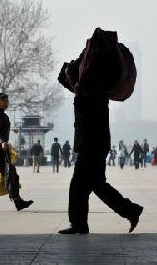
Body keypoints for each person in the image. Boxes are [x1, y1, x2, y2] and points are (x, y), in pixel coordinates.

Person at [58, 77, 143, 234]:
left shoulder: (89, 95)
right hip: (94, 146)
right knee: (96, 185)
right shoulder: (93, 93)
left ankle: (79, 224)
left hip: (91, 147)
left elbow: (84, 122)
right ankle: (130, 210)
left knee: (79, 186)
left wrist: (77, 91)